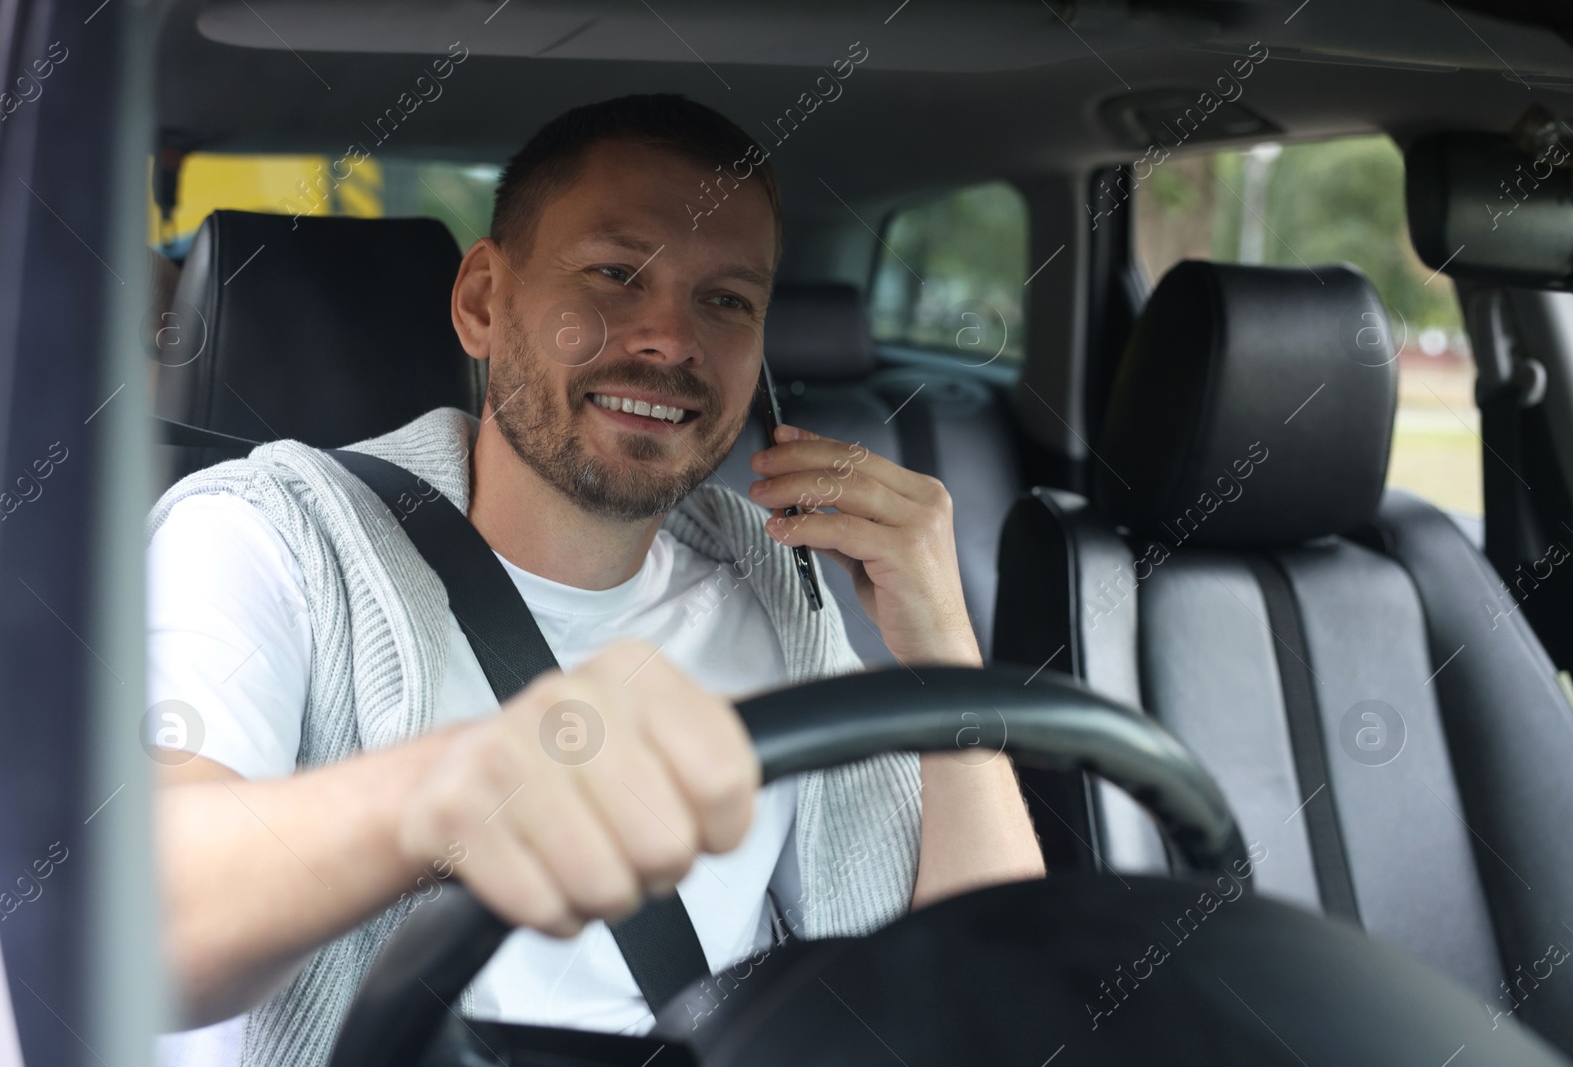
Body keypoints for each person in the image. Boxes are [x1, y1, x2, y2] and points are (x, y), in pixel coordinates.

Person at [147, 93, 1043, 1067]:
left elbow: (983, 996)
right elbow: (142, 932)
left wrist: (943, 649)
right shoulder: (267, 534)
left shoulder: (776, 576)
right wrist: (439, 791)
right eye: (616, 273)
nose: (669, 340)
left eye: (726, 300)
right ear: (483, 302)